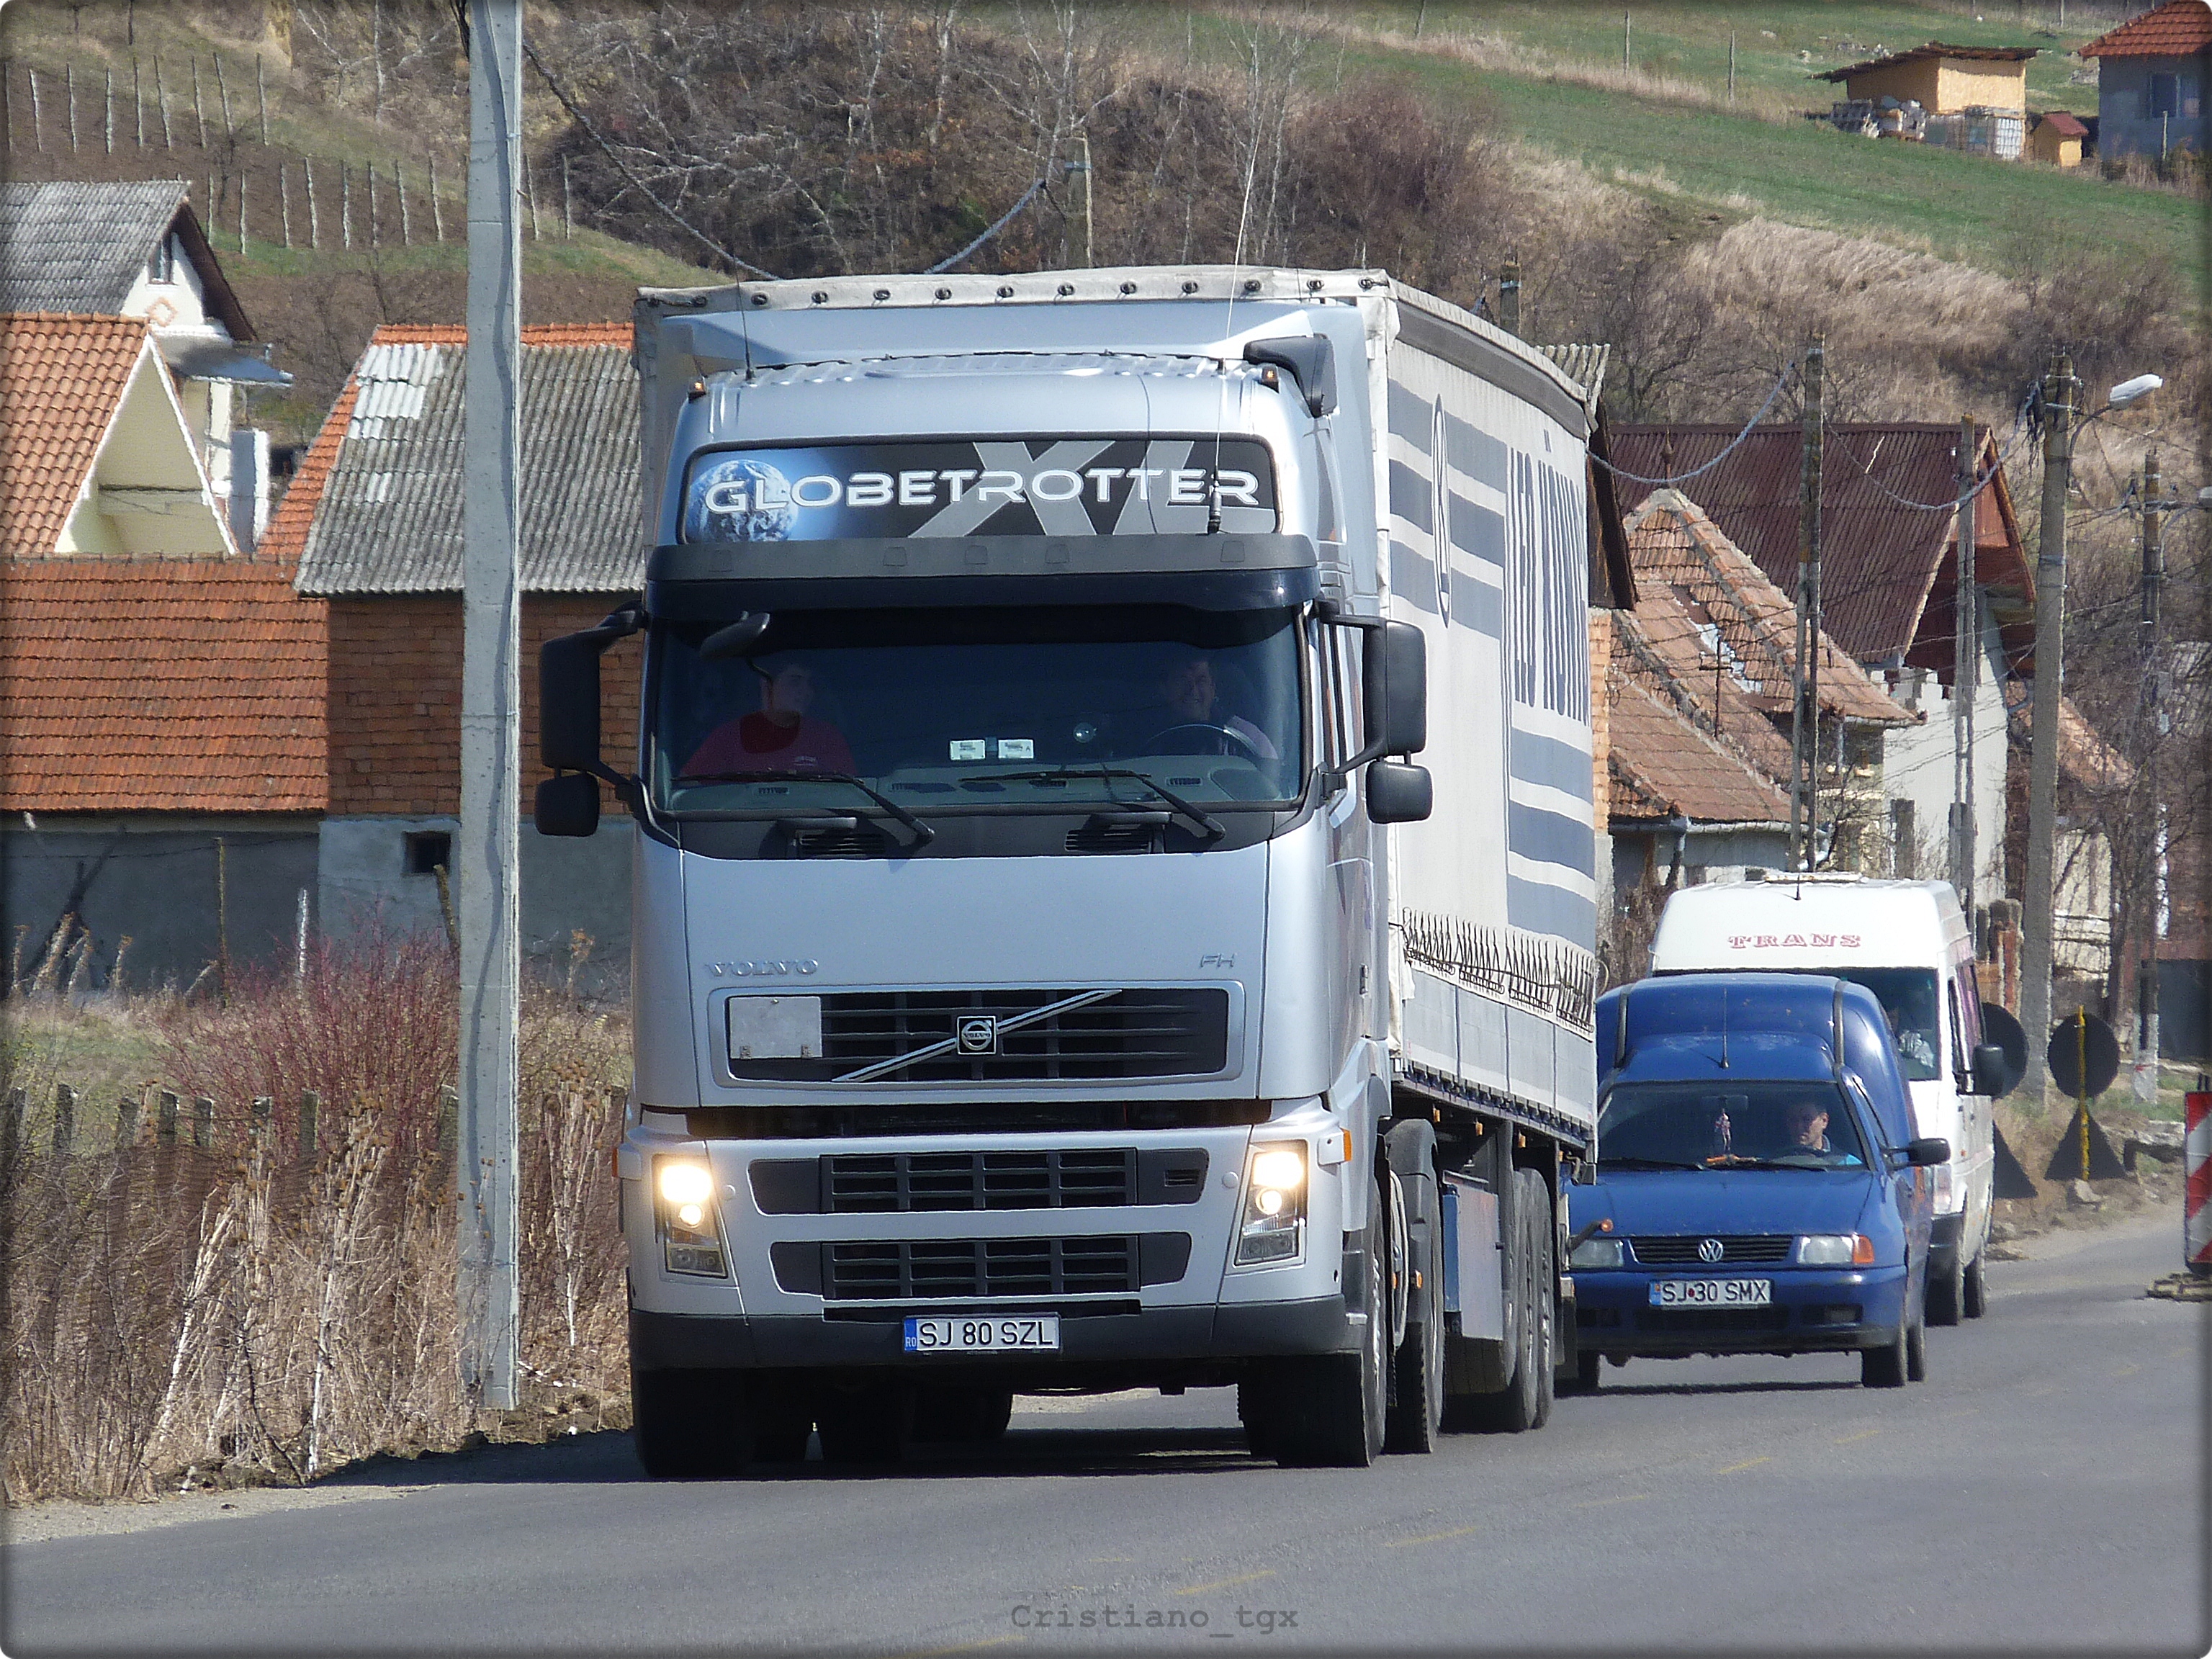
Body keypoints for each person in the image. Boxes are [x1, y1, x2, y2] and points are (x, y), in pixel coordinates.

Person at [682, 660, 855, 777]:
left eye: (810, 684)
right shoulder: (730, 736)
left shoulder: (826, 737)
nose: (806, 691)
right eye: (795, 682)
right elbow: (688, 791)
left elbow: (849, 795)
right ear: (767, 686)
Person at [1136, 647, 1279, 759]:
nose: (1193, 690)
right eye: (1182, 680)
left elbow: (1270, 785)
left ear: (1213, 688)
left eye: (1201, 680)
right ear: (1164, 688)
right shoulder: (1141, 738)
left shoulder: (1248, 739)